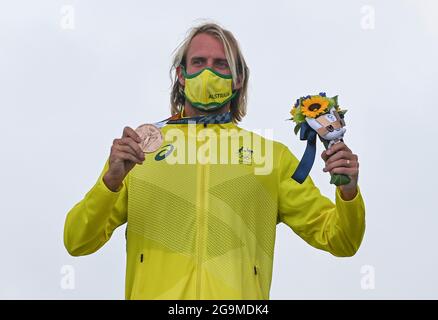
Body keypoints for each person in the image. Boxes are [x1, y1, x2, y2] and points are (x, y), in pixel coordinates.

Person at [63, 22, 365, 300]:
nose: (209, 72)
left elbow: (340, 240)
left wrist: (348, 193)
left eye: (221, 64)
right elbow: (77, 240)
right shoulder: (140, 149)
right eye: (199, 62)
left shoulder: (271, 157)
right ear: (181, 75)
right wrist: (110, 183)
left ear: (238, 79)